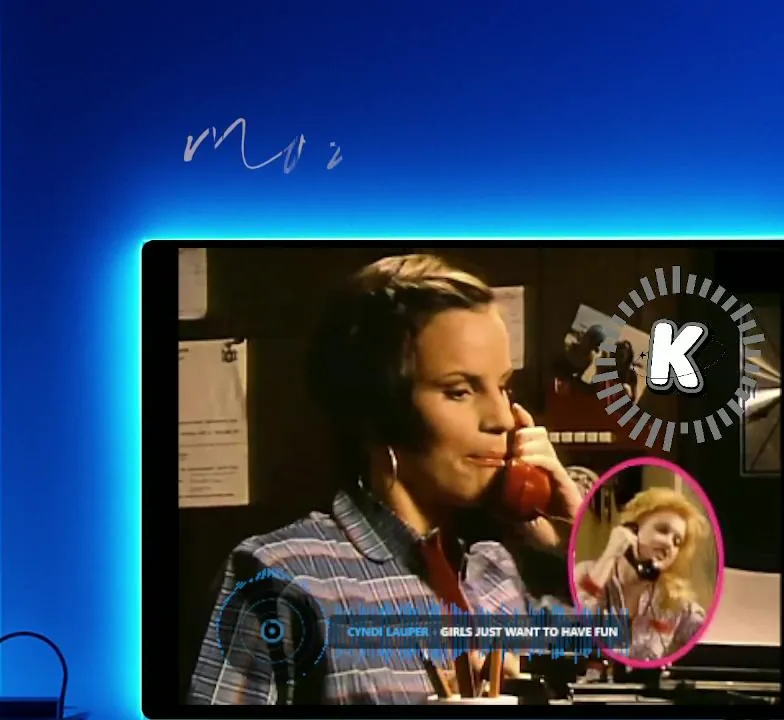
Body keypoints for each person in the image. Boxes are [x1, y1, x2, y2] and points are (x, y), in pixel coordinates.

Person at [186, 254, 584, 705]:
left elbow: (641, 641)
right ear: (382, 412)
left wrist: (578, 540)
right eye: (459, 391)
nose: (502, 419)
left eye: (503, 387)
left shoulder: (492, 573)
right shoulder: (280, 578)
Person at [574, 487, 711, 663]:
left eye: (677, 541)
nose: (669, 545)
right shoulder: (585, 573)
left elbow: (712, 637)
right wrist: (610, 555)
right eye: (662, 530)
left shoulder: (674, 601)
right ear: (632, 529)